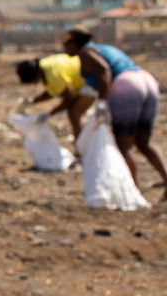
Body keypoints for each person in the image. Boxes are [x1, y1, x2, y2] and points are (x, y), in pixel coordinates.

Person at [61, 28, 167, 196]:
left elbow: (103, 70)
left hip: (126, 86)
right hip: (147, 81)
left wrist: (102, 102)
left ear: (74, 43)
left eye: (65, 45)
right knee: (143, 143)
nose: (64, 49)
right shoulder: (104, 48)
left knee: (124, 146)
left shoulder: (85, 52)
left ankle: (134, 192)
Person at [15, 51, 90, 140]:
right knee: (74, 112)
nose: (33, 84)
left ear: (34, 76)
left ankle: (81, 145)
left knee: (74, 112)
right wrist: (33, 101)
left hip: (89, 79)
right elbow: (53, 91)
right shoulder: (45, 67)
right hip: (83, 80)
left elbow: (69, 97)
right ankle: (82, 142)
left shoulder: (52, 74)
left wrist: (49, 114)